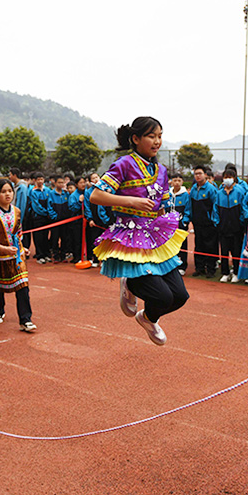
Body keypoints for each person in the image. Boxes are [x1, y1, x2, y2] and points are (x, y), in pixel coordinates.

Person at [90, 116, 189, 346]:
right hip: (129, 235)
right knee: (162, 296)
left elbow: (162, 204)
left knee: (180, 296)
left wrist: (167, 221)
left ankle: (147, 317)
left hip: (154, 236)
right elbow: (96, 196)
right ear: (136, 139)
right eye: (151, 136)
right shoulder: (124, 164)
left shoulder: (162, 171)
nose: (157, 141)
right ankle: (130, 282)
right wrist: (131, 202)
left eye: (160, 136)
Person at [0, 179, 36, 332]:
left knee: (23, 286)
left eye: (10, 191)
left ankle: (26, 320)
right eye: (4, 191)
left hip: (16, 257)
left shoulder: (17, 211)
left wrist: (22, 247)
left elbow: (18, 233)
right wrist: (3, 249)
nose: (7, 194)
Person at [183, 165, 219, 278]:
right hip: (197, 223)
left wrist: (214, 220)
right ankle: (199, 268)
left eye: (200, 173)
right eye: (196, 174)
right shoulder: (193, 189)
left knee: (210, 246)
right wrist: (188, 219)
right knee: (199, 246)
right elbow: (189, 206)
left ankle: (211, 269)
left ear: (205, 175)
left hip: (209, 224)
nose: (198, 176)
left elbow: (215, 206)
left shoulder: (211, 189)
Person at [215, 168, 246, 283]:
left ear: (234, 179)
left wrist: (241, 222)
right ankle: (225, 273)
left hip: (236, 228)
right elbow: (215, 210)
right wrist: (217, 222)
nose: (227, 179)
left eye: (230, 177)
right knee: (224, 251)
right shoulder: (219, 193)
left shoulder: (240, 191)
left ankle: (236, 273)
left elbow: (243, 208)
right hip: (223, 228)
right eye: (226, 177)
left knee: (236, 251)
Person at [28, 172, 52, 263]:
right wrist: (44, 212)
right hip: (38, 217)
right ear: (35, 180)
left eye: (42, 179)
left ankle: (46, 254)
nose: (40, 181)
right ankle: (39, 256)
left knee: (46, 236)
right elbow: (36, 206)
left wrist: (48, 212)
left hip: (47, 217)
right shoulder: (33, 191)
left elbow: (50, 202)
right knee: (38, 237)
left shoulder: (47, 190)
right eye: (38, 179)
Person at [47, 175, 71, 262]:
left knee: (65, 238)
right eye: (59, 182)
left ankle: (63, 255)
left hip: (65, 221)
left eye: (62, 182)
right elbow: (49, 207)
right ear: (55, 183)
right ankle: (56, 256)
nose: (61, 184)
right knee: (55, 238)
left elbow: (69, 205)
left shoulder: (66, 194)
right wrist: (54, 217)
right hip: (55, 221)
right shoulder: (51, 194)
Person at [170, 174, 189, 275]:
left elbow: (188, 209)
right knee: (170, 245)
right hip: (169, 226)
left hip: (181, 225)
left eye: (179, 180)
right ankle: (172, 265)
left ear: (182, 182)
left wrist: (185, 221)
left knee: (182, 245)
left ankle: (182, 266)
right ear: (171, 182)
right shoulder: (168, 194)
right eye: (175, 180)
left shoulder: (185, 195)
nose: (177, 182)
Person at [67, 176, 86, 262]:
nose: (83, 184)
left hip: (85, 220)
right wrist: (79, 202)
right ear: (76, 184)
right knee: (77, 240)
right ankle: (77, 257)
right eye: (81, 183)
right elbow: (72, 208)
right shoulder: (73, 196)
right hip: (76, 221)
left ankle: (84, 255)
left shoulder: (87, 193)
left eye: (84, 182)